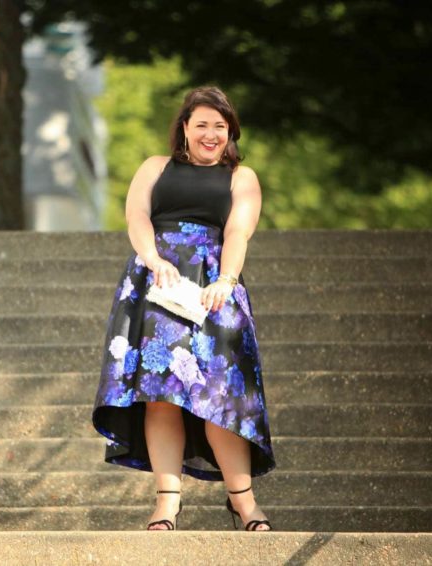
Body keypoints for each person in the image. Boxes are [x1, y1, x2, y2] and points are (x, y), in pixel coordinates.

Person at [91, 86, 275, 531]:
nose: (210, 134)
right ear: (185, 129)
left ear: (230, 131)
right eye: (202, 125)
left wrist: (226, 281)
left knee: (221, 395)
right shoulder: (155, 167)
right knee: (160, 397)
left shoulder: (241, 177)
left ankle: (243, 501)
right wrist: (153, 260)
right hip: (157, 284)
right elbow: (136, 216)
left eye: (220, 126)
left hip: (214, 284)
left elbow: (238, 233)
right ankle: (167, 504)